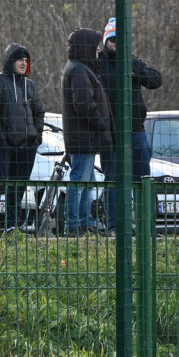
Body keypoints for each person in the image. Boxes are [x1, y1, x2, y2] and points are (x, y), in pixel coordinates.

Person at [96, 17, 162, 233]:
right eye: (113, 39)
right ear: (106, 40)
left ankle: (145, 224)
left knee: (142, 178)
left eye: (120, 39)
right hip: (110, 134)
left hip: (136, 131)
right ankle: (115, 225)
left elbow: (156, 80)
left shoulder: (133, 62)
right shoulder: (97, 64)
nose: (116, 42)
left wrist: (135, 71)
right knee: (113, 179)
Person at [0, 43, 45, 231]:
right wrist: (1, 138)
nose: (24, 63)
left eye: (26, 60)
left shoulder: (31, 85)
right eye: (20, 59)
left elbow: (39, 113)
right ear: (10, 60)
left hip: (27, 146)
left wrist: (36, 137)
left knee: (18, 188)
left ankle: (12, 226)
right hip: (3, 145)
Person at [61, 27, 112, 236]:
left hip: (85, 138)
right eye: (95, 46)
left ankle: (85, 222)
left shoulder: (80, 68)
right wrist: (101, 124)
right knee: (79, 182)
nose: (98, 49)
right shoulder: (79, 70)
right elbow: (83, 104)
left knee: (87, 183)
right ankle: (73, 225)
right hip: (83, 137)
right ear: (86, 48)